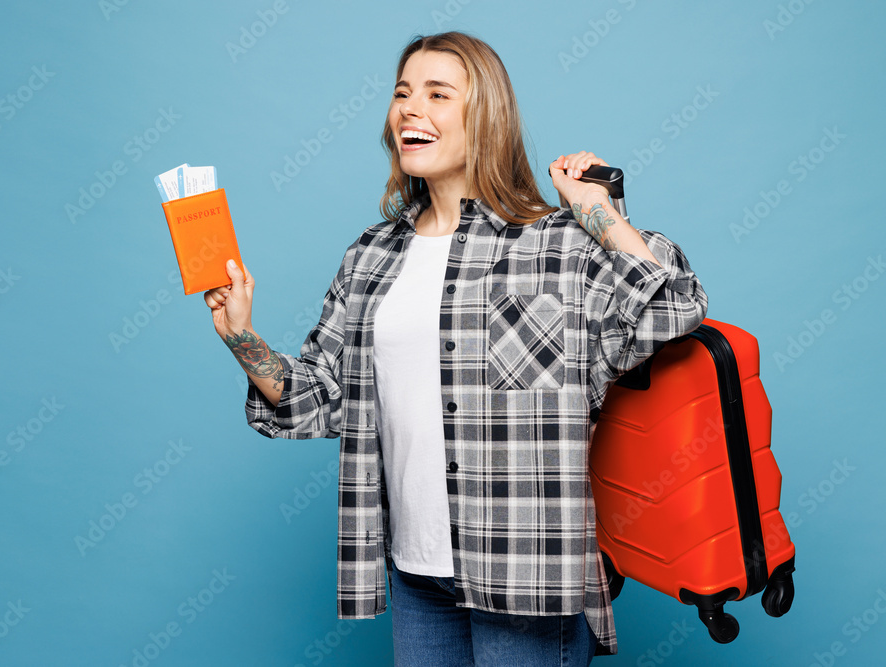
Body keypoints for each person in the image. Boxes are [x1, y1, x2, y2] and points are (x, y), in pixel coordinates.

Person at [205, 31, 707, 666]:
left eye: (437, 94)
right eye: (402, 93)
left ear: (486, 115)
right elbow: (318, 401)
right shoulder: (371, 256)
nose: (411, 108)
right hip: (416, 574)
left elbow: (673, 307)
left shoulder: (556, 244)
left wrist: (595, 210)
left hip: (527, 577)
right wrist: (241, 338)